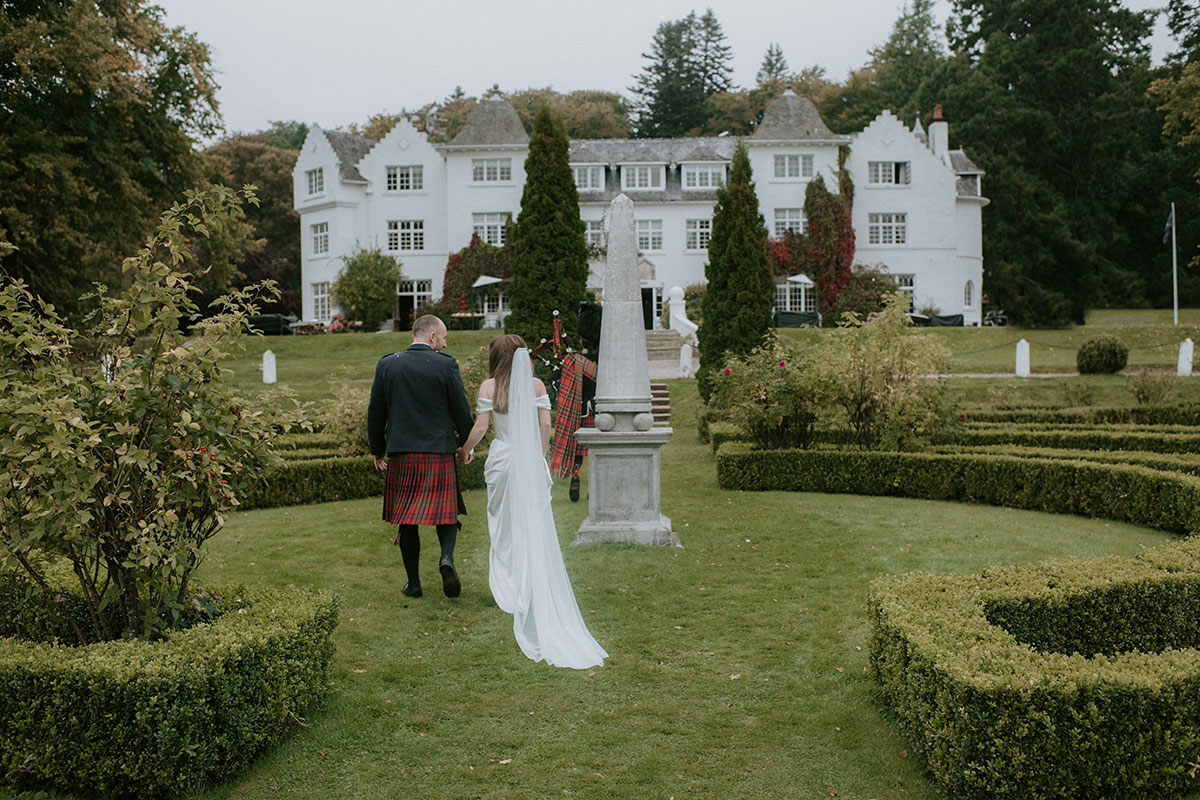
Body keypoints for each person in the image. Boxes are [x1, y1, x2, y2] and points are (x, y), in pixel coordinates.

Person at [458, 334, 607, 669]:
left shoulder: (489, 387)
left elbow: (481, 428)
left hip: (502, 461)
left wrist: (465, 449)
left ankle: (509, 590)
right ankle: (528, 586)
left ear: (496, 357)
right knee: (533, 526)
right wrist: (539, 458)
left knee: (503, 524)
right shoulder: (537, 386)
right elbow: (545, 424)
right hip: (528, 461)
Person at [367, 315, 474, 599]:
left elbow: (376, 412)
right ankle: (446, 558)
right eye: (444, 337)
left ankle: (414, 584)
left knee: (407, 519)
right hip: (438, 451)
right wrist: (467, 446)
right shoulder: (446, 364)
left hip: (402, 453)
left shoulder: (388, 364)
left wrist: (377, 449)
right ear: (431, 337)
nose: (445, 342)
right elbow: (461, 411)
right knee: (446, 513)